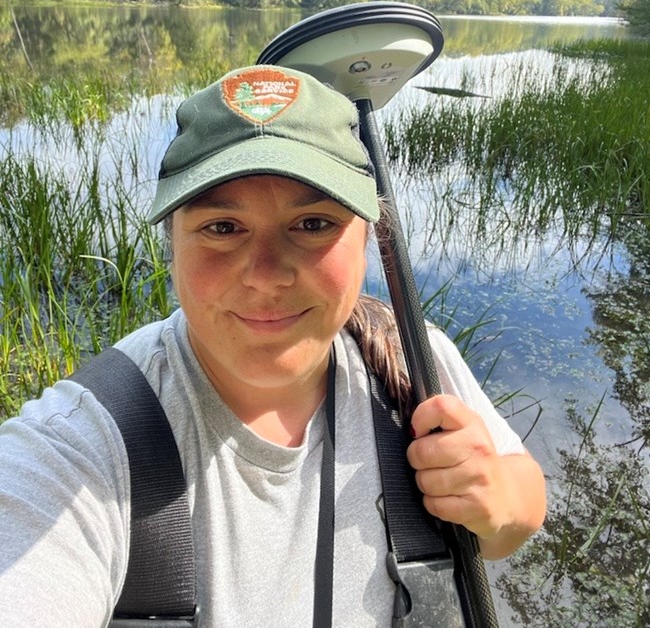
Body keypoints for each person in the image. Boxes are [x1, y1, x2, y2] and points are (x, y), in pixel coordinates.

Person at [0, 64, 546, 627]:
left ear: (369, 238)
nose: (266, 276)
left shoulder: (412, 360)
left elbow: (519, 507)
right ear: (172, 246)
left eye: (312, 223)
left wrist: (495, 502)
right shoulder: (79, 446)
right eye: (222, 227)